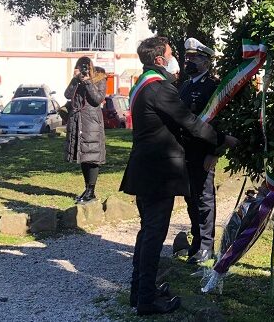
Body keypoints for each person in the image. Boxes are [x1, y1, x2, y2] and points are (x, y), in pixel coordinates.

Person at [119, 36, 237, 316]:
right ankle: (146, 299)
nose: (178, 60)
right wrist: (222, 140)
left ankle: (140, 290)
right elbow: (191, 123)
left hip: (146, 169)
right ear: (160, 60)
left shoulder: (143, 84)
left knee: (147, 232)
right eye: (172, 55)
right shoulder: (159, 88)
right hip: (158, 173)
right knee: (153, 235)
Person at [176, 37, 221, 265]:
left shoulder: (212, 87)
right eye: (187, 57)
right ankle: (196, 242)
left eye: (194, 58)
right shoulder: (186, 85)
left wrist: (214, 152)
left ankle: (206, 246)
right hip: (184, 151)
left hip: (203, 152)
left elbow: (217, 122)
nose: (189, 61)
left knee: (204, 198)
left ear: (206, 61)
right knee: (190, 197)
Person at [64, 57, 107, 204]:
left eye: (85, 67)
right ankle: (87, 188)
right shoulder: (77, 80)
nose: (84, 70)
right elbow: (68, 95)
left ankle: (91, 190)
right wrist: (75, 80)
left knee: (92, 155)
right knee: (82, 155)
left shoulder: (99, 77)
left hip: (92, 121)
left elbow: (97, 99)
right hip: (78, 120)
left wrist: (88, 82)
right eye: (80, 67)